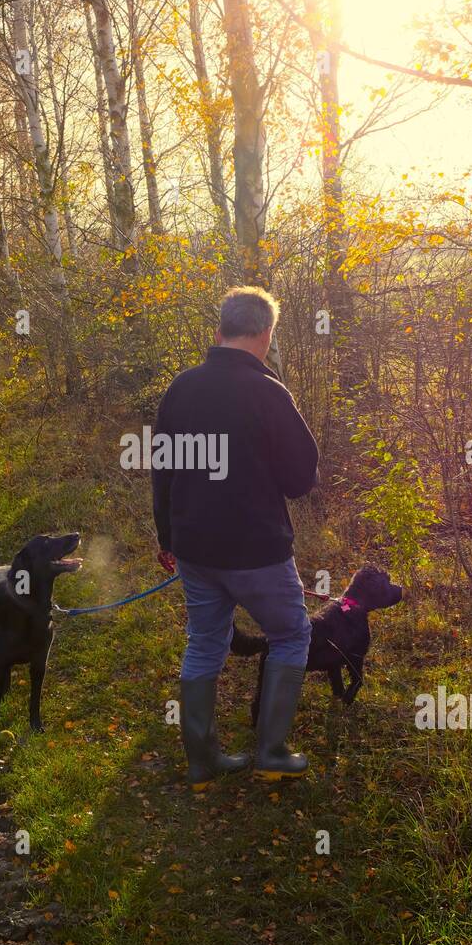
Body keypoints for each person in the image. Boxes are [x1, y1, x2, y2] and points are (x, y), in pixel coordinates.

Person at [152, 286, 319, 789]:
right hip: (256, 551)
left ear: (219, 330)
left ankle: (202, 763)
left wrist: (168, 537)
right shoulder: (269, 393)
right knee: (292, 634)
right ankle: (270, 752)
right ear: (265, 334)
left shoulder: (180, 389)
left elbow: (162, 471)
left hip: (195, 548)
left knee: (204, 642)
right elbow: (299, 479)